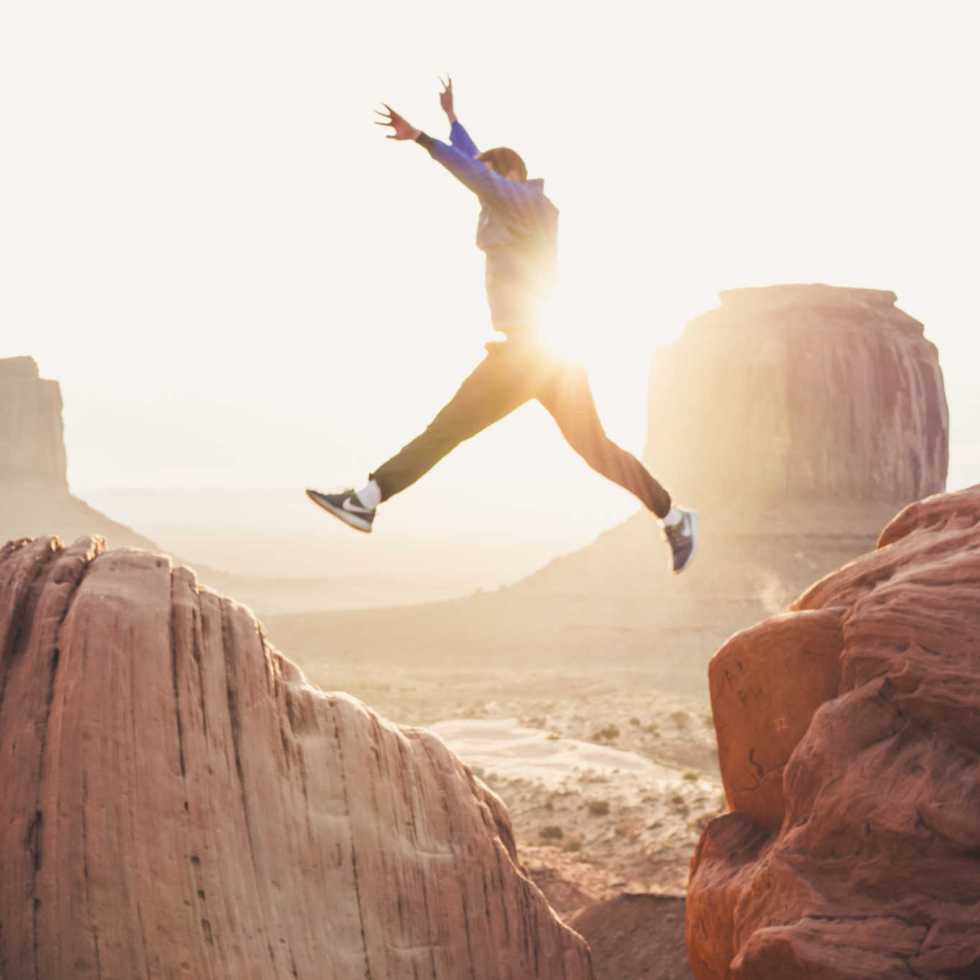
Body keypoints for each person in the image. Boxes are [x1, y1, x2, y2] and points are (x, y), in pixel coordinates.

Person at [307, 78, 697, 573]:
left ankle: (366, 500)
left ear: (511, 173)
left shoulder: (523, 202)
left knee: (447, 429)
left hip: (529, 354)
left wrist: (424, 138)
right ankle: (674, 516)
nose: (480, 190)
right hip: (547, 356)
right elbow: (476, 166)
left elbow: (477, 173)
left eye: (489, 179)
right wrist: (454, 122)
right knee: (595, 450)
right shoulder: (510, 204)